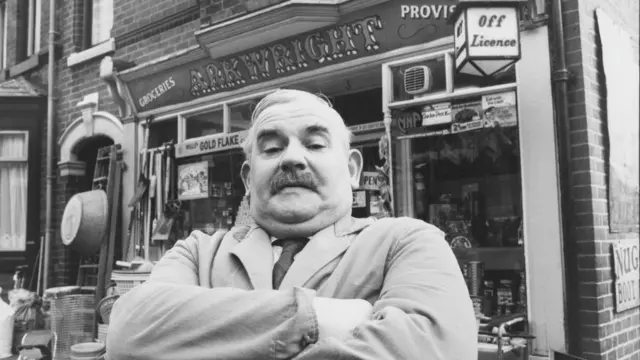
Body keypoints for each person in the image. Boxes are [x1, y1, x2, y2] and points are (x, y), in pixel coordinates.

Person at [106, 89, 477, 359]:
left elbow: (433, 350)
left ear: (351, 170)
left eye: (314, 145)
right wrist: (317, 318)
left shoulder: (407, 242)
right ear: (249, 178)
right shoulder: (197, 251)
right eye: (271, 148)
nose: (292, 159)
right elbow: (128, 332)